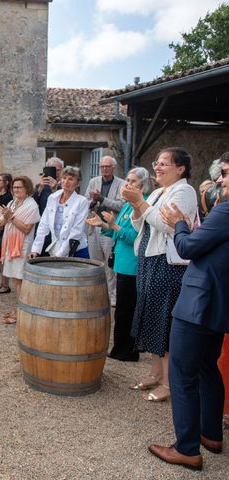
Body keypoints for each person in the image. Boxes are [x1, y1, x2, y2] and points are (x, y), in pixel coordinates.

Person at [147, 155, 229, 471]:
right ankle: (210, 434)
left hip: (198, 301)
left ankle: (187, 448)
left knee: (182, 373)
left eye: (225, 175)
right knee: (208, 366)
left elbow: (189, 248)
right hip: (218, 304)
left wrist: (179, 224)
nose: (221, 181)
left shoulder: (225, 211)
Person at [122, 147, 198, 403]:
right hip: (147, 260)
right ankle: (155, 372)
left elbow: (168, 225)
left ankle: (168, 383)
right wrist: (136, 205)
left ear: (181, 169)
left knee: (163, 321)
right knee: (149, 316)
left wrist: (141, 204)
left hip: (168, 265)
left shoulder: (184, 191)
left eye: (165, 163)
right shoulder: (156, 192)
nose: (158, 167)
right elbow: (141, 223)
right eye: (157, 162)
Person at [86, 167, 152, 361]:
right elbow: (117, 231)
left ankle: (128, 350)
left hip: (132, 264)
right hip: (122, 262)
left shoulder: (142, 204)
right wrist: (104, 225)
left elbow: (136, 237)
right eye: (127, 181)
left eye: (132, 181)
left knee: (127, 310)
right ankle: (119, 347)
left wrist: (113, 226)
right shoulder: (127, 204)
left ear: (142, 184)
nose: (127, 184)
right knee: (122, 309)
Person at [0, 176, 39, 324]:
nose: (15, 190)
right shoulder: (12, 202)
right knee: (16, 280)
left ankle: (23, 312)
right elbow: (0, 224)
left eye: (19, 187)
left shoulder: (31, 206)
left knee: (21, 280)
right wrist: (5, 216)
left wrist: (11, 217)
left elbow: (27, 228)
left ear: (27, 189)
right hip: (10, 245)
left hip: (22, 247)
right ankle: (20, 309)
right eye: (14, 187)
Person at [85, 156, 124, 305]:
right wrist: (94, 201)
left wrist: (102, 199)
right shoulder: (93, 182)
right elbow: (86, 202)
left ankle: (112, 295)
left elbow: (121, 206)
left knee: (109, 263)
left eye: (108, 166)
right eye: (102, 167)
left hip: (109, 227)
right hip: (94, 226)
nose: (105, 169)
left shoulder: (121, 183)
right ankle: (97, 294)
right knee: (95, 262)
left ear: (113, 168)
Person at [29, 166, 89, 259]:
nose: (66, 182)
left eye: (71, 179)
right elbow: (43, 225)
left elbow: (76, 232)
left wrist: (59, 255)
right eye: (64, 178)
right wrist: (35, 250)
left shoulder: (82, 201)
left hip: (76, 251)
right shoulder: (52, 197)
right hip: (56, 250)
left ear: (78, 183)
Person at [32, 156, 64, 256]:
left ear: (62, 170)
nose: (55, 173)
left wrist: (56, 189)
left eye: (58, 170)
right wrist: (40, 189)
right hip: (43, 227)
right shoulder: (40, 186)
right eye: (52, 170)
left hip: (60, 228)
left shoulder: (66, 186)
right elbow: (33, 204)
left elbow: (64, 204)